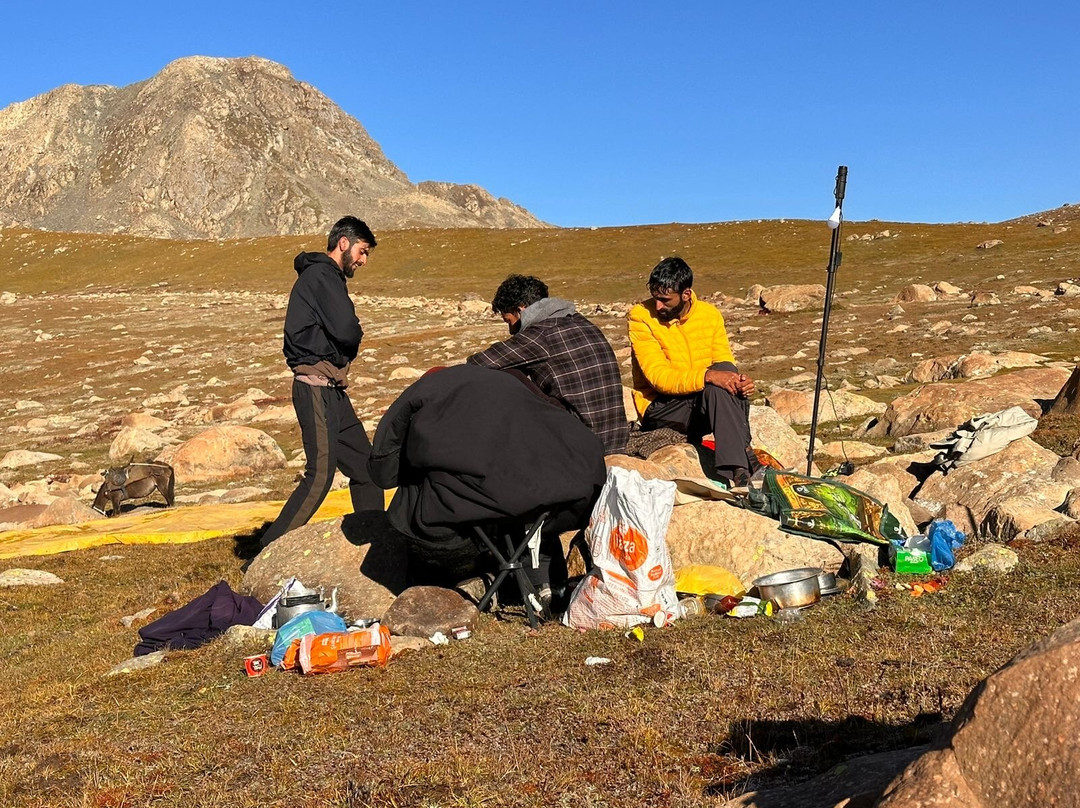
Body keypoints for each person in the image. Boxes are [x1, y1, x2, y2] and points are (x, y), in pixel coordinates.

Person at [368, 364, 606, 612]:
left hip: (467, 521)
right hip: (571, 497)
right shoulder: (511, 380)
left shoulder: (424, 389)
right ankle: (545, 587)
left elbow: (383, 472)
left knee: (411, 497)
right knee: (522, 499)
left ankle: (448, 591)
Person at [259, 216, 382, 548]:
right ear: (343, 243)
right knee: (319, 476)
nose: (363, 260)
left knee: (366, 469)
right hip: (316, 387)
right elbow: (347, 329)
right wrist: (354, 338)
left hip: (333, 390)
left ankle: (375, 542)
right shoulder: (323, 275)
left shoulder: (327, 278)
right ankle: (265, 553)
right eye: (362, 250)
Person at [627, 256, 759, 486]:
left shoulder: (709, 315)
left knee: (725, 375)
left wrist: (739, 382)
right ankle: (744, 464)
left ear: (686, 294)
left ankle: (740, 473)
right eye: (655, 298)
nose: (658, 306)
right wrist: (707, 376)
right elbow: (659, 378)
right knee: (715, 384)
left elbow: (724, 363)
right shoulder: (641, 317)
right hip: (662, 407)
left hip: (701, 402)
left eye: (665, 300)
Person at [466, 274, 629, 454]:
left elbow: (478, 363)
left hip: (583, 443)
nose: (511, 331)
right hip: (614, 438)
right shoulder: (581, 321)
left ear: (521, 310)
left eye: (509, 321)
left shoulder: (540, 334)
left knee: (510, 375)